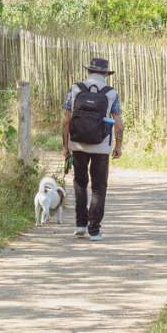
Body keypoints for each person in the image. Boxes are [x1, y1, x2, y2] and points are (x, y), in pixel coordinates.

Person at [62, 56, 123, 240]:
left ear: (88, 71)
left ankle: (80, 225)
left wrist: (66, 147)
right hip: (101, 146)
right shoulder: (111, 93)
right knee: (98, 187)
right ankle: (94, 230)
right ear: (105, 74)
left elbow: (66, 120)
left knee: (80, 183)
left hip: (78, 144)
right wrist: (118, 146)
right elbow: (118, 124)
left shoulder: (75, 89)